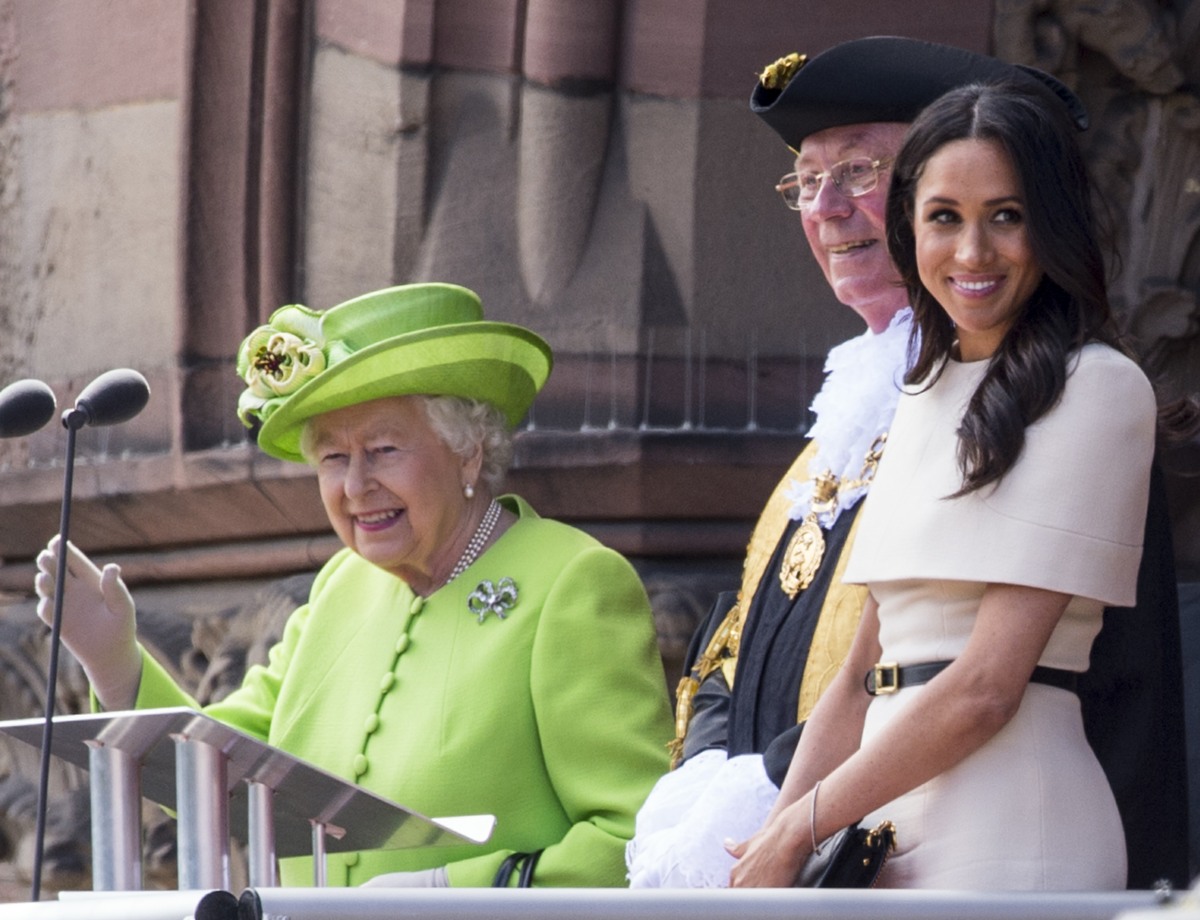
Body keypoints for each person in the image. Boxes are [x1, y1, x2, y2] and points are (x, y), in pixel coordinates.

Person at [628, 36, 1191, 891]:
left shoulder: (1097, 386)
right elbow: (859, 672)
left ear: (1051, 225)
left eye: (1006, 215)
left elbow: (986, 689)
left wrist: (800, 827)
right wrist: (768, 844)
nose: (972, 252)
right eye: (944, 218)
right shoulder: (920, 390)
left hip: (1013, 823)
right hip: (880, 835)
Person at [35, 282, 675, 888]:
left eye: (385, 449)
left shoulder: (572, 585)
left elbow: (635, 840)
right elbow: (217, 775)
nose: (355, 485)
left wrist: (451, 890)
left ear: (469, 451)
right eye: (334, 459)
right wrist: (115, 661)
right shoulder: (343, 586)